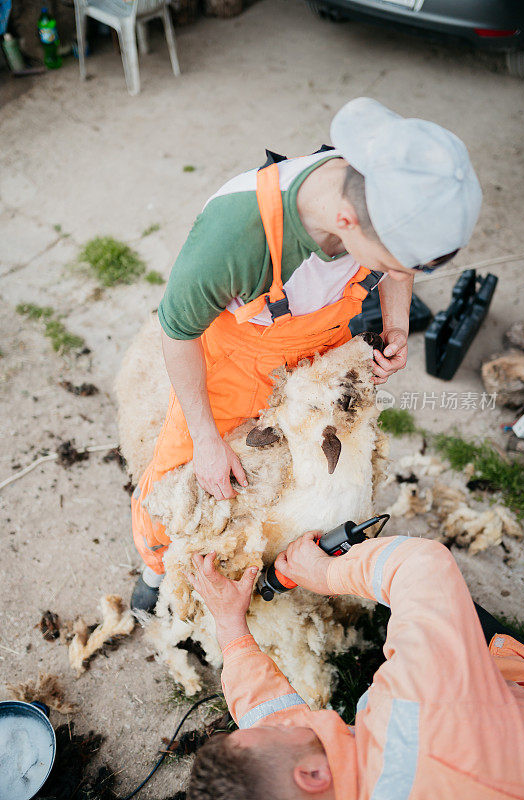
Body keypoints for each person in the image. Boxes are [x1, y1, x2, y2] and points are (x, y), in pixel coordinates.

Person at [130, 98, 482, 611]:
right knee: (180, 484)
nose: (397, 269)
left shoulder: (373, 186)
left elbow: (396, 267)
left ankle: (289, 566)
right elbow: (177, 333)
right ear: (346, 221)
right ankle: (155, 567)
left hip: (322, 356)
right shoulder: (234, 237)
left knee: (327, 476)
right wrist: (207, 440)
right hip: (236, 365)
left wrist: (397, 322)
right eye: (391, 257)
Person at [185, 533, 524, 800]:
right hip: (484, 730)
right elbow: (423, 567)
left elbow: (268, 730)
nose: (283, 724)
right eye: (278, 732)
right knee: (448, 618)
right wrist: (328, 573)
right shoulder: (412, 718)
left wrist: (231, 627)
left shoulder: (319, 782)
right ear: (312, 776)